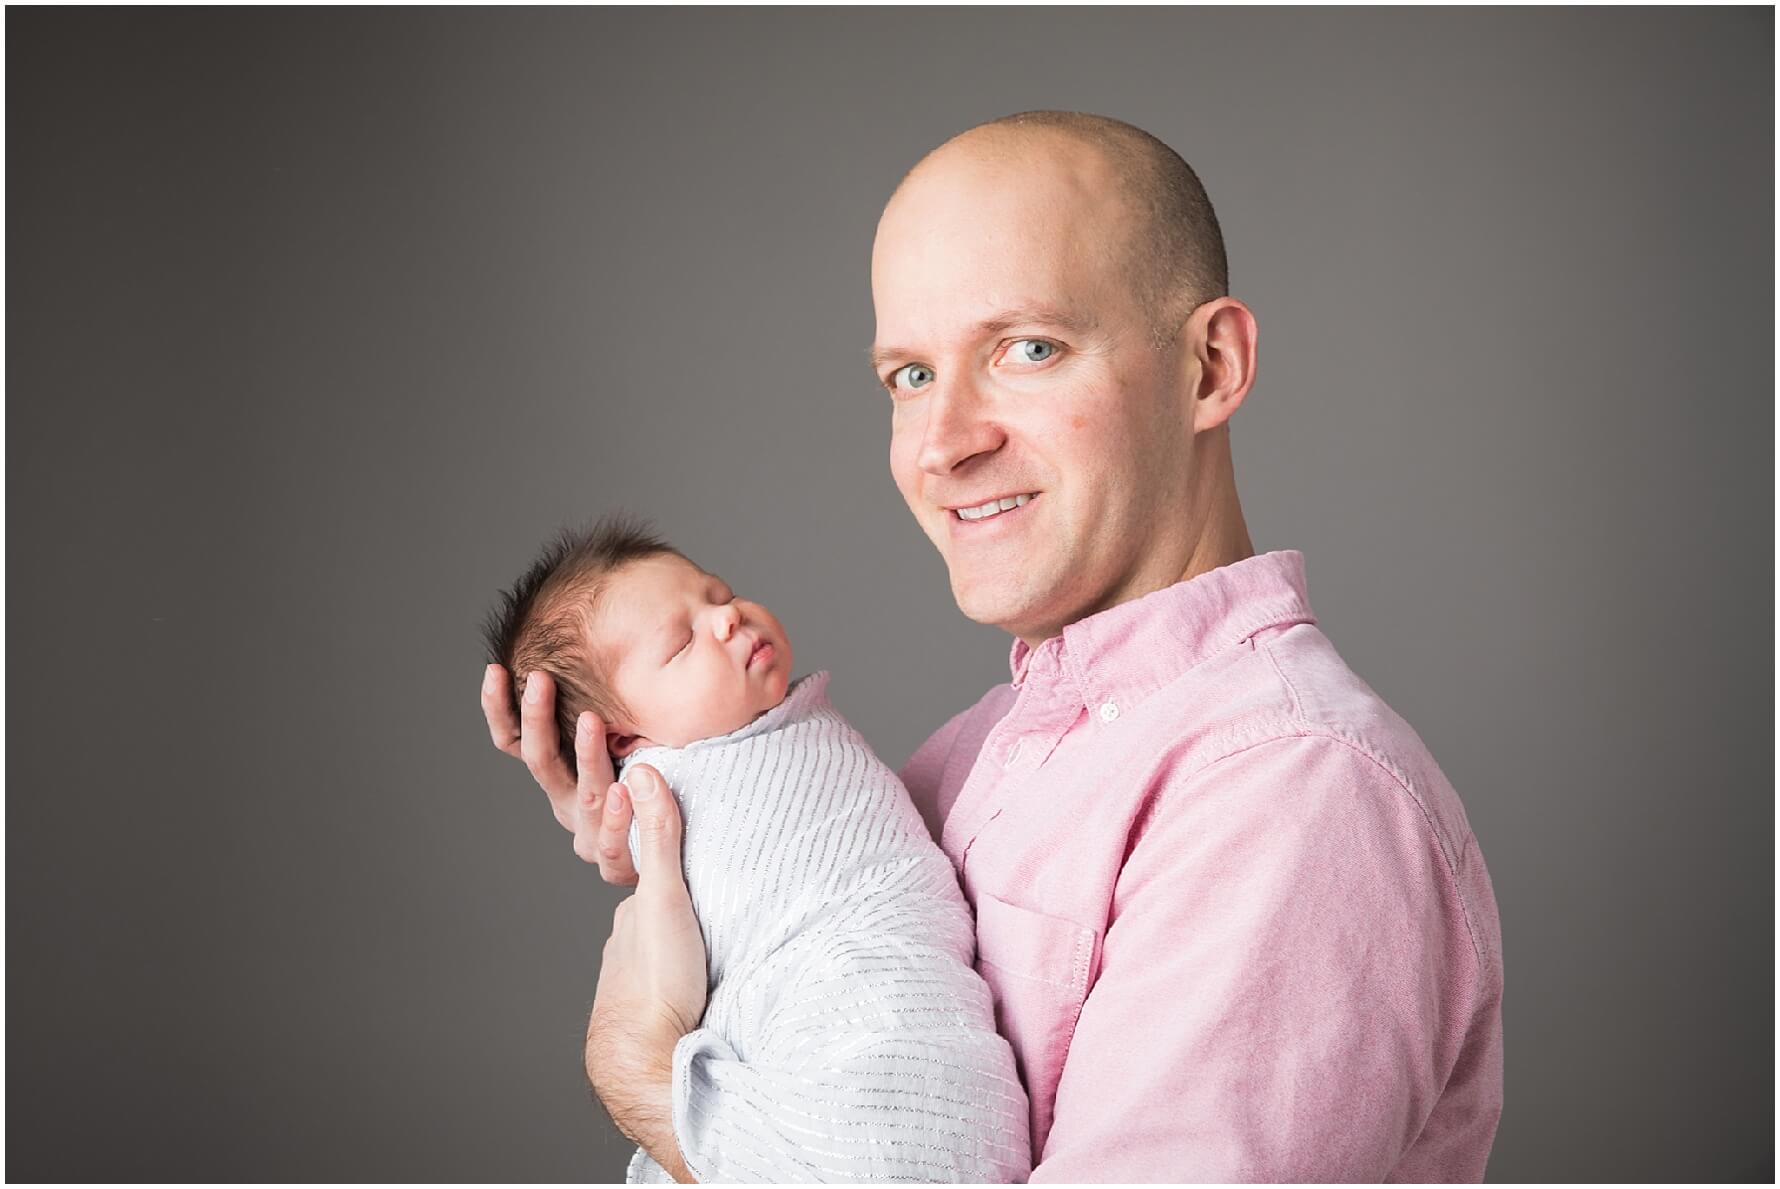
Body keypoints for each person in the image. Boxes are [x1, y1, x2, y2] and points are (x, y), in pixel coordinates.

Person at [480, 110, 1505, 1182]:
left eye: (1028, 349)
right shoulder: (963, 759)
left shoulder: (1292, 793)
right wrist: (683, 814)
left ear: (1209, 367)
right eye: (909, 376)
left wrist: (650, 1082)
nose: (943, 444)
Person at [480, 518, 1029, 1182]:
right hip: (810, 1011)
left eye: (719, 593)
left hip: (899, 992)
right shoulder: (663, 785)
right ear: (625, 740)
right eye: (681, 643)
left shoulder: (794, 735)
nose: (728, 618)